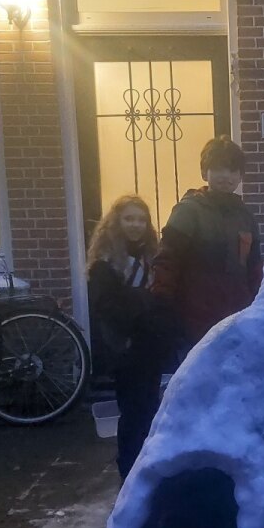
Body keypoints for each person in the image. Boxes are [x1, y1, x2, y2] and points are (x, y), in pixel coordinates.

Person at [87, 194, 176, 480]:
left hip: (150, 349)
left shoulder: (151, 257)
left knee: (149, 411)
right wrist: (142, 303)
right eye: (129, 219)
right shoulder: (106, 263)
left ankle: (145, 470)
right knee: (132, 415)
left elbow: (161, 299)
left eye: (141, 219)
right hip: (125, 350)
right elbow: (109, 308)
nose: (136, 225)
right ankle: (129, 474)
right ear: (116, 222)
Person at [152, 136, 263, 348]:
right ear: (205, 173)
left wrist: (257, 303)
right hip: (194, 318)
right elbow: (167, 259)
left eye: (233, 171)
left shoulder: (245, 216)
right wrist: (162, 302)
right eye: (219, 169)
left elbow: (254, 268)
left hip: (236, 318)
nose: (226, 176)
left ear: (240, 176)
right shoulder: (188, 211)